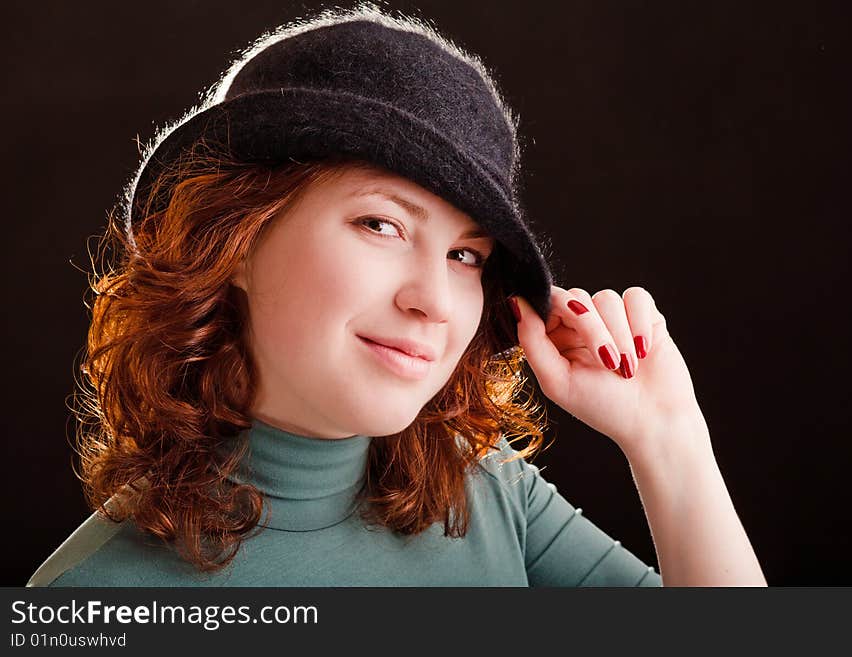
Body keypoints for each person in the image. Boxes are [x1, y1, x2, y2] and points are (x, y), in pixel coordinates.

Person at [28, 4, 766, 587]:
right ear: (236, 240)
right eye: (381, 223)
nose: (435, 301)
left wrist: (669, 441)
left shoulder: (484, 488)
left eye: (466, 255)